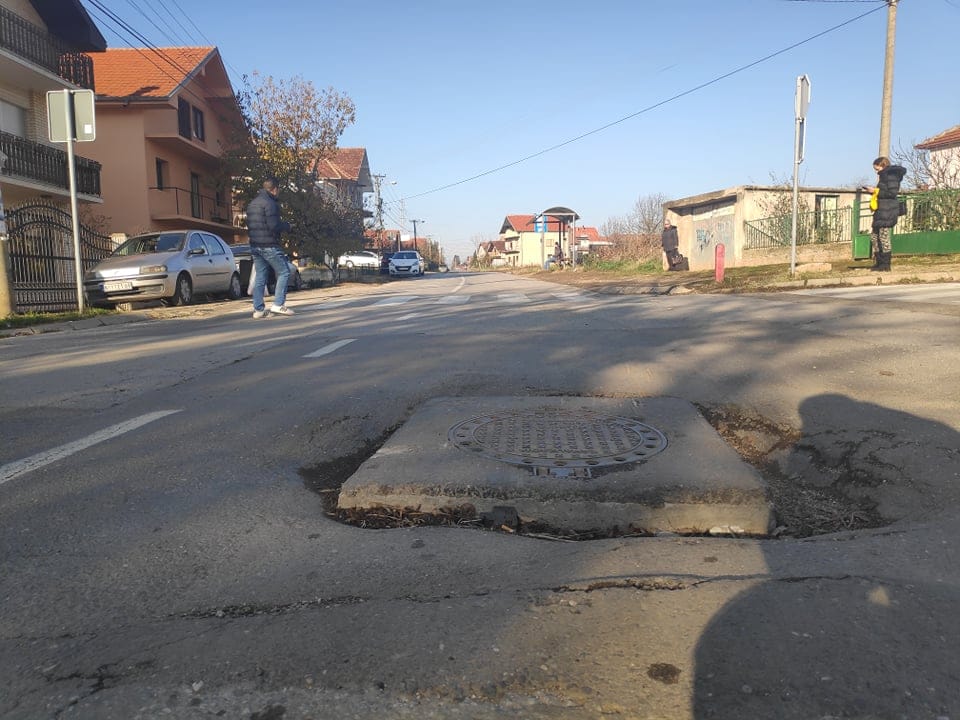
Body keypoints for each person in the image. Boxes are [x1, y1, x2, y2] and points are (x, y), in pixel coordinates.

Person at [246, 176, 294, 317]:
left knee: (260, 276)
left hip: (255, 245)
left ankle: (258, 310)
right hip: (269, 244)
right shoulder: (270, 204)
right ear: (274, 189)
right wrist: (287, 226)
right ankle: (278, 304)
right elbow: (274, 226)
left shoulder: (252, 204)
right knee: (284, 272)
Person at [862, 156, 906, 272]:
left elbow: (892, 193)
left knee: (883, 237)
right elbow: (884, 192)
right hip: (881, 210)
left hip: (887, 210)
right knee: (874, 236)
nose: (876, 172)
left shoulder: (891, 175)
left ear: (883, 165)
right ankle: (879, 262)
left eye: (877, 169)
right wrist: (874, 192)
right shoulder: (883, 176)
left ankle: (885, 264)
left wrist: (875, 191)